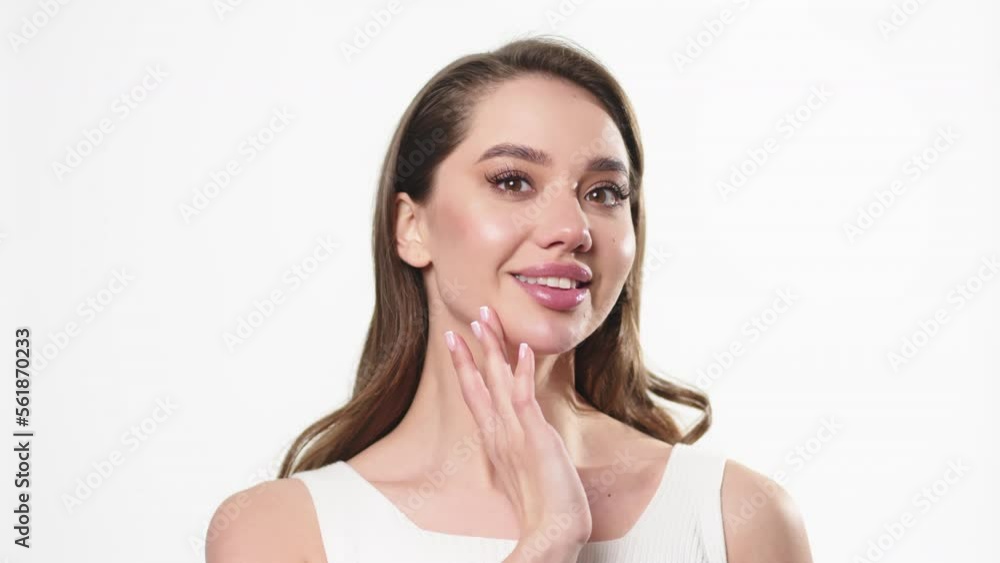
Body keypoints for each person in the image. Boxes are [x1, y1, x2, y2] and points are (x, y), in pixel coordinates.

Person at [206, 36, 814, 563]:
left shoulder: (739, 518)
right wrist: (548, 543)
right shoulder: (282, 530)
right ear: (411, 227)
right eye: (512, 181)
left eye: (604, 192)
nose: (573, 227)